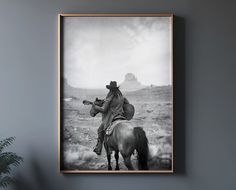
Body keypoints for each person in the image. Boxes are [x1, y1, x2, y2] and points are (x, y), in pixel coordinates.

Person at [92, 81, 129, 155]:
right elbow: (127, 104)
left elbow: (103, 110)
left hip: (111, 118)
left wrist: (94, 106)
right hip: (121, 117)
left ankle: (99, 148)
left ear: (110, 89)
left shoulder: (110, 97)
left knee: (100, 130)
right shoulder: (122, 97)